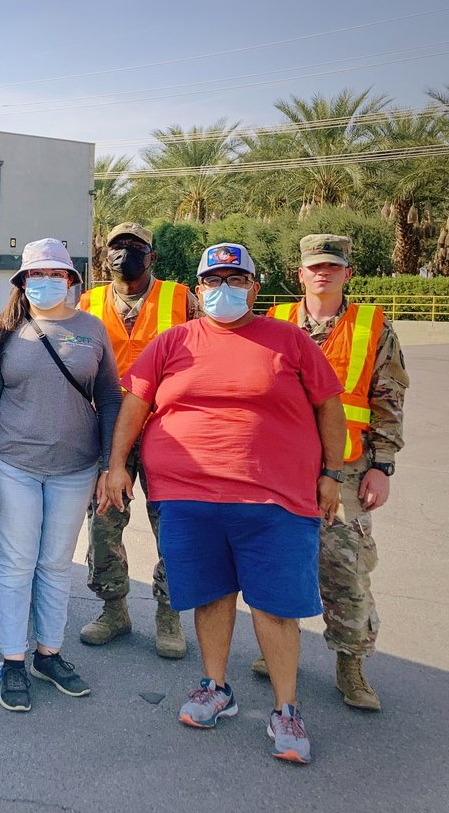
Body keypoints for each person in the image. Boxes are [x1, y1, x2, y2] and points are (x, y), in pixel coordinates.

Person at [105, 242, 346, 765]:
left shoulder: (290, 341)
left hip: (275, 498)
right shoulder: (172, 343)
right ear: (198, 290)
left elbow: (330, 405)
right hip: (190, 498)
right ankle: (215, 687)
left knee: (275, 607)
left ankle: (286, 708)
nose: (224, 290)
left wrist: (332, 473)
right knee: (212, 596)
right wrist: (118, 463)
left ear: (255, 289)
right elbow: (135, 402)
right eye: (214, 282)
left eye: (236, 280)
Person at [0, 238, 122, 713]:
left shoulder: (92, 329)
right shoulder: (2, 331)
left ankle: (48, 654)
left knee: (55, 564)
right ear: (23, 282)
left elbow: (111, 397)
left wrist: (109, 466)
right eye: (37, 275)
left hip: (75, 469)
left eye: (57, 275)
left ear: (72, 281)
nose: (47, 282)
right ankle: (13, 659)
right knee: (16, 565)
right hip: (13, 464)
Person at [256, 234, 408, 711]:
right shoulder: (272, 322)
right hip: (281, 468)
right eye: (314, 266)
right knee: (281, 562)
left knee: (346, 570)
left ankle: (351, 666)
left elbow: (389, 401)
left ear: (346, 273)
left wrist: (382, 466)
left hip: (346, 469)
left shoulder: (372, 327)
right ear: (299, 274)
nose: (323, 273)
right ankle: (280, 651)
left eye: (332, 266)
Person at [78, 222, 199, 658]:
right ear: (104, 256)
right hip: (110, 430)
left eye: (135, 246)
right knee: (104, 524)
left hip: (170, 433)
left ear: (152, 256)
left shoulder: (183, 299)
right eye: (116, 247)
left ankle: (169, 615)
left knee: (174, 526)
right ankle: (114, 609)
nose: (124, 253)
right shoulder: (87, 302)